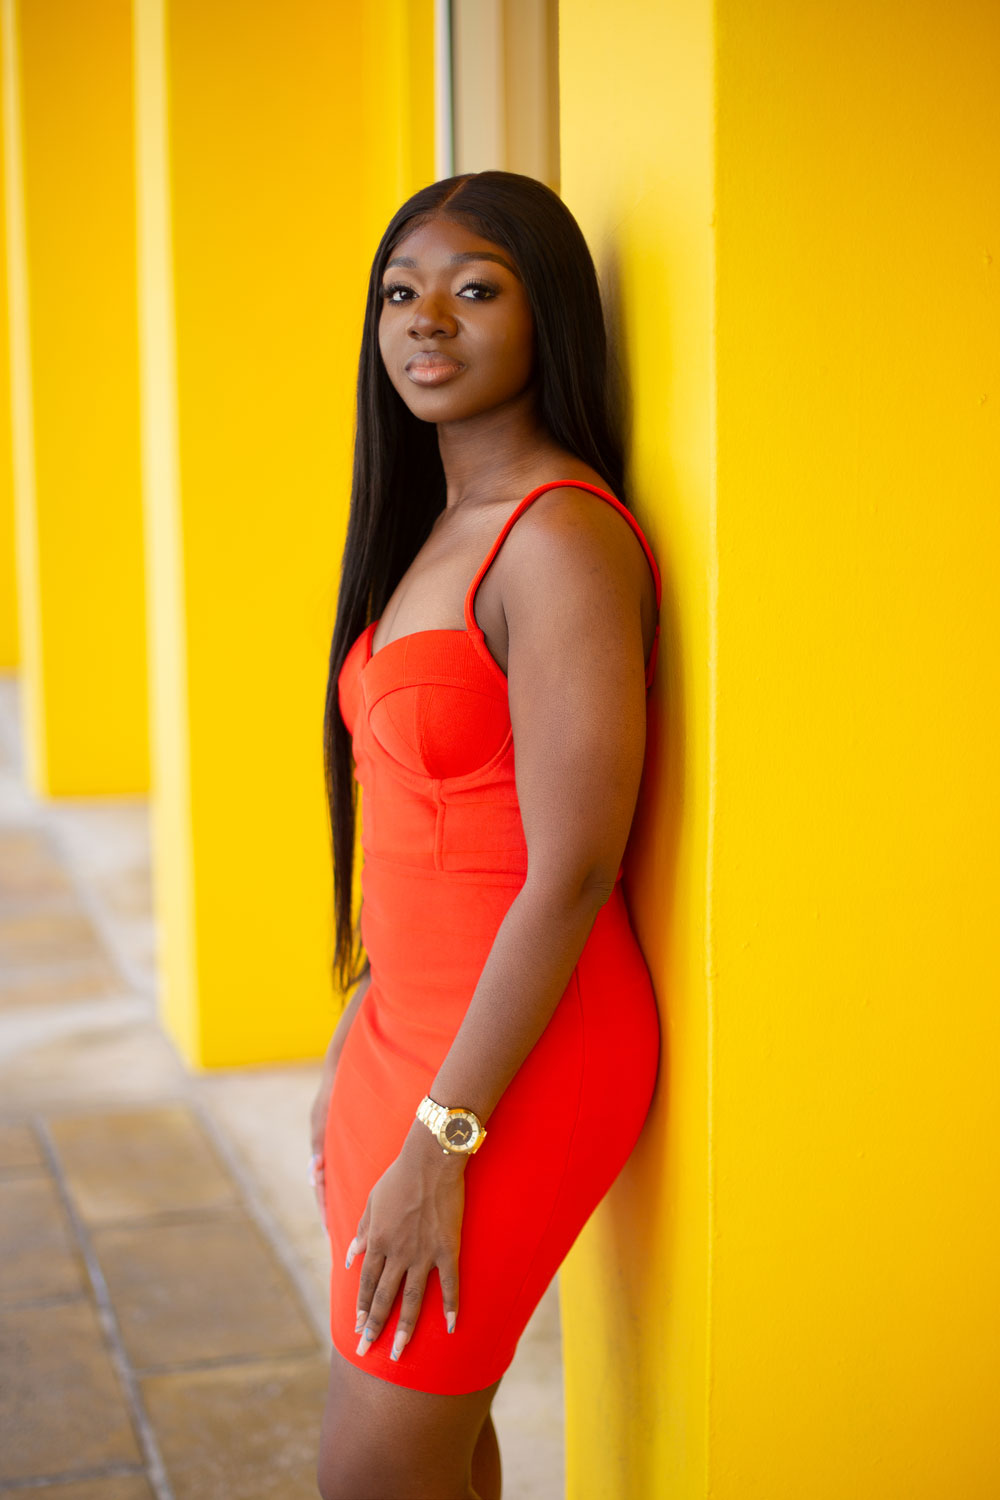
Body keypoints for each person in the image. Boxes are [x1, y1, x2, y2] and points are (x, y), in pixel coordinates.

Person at [310, 169, 661, 1500]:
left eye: (474, 290)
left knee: (373, 1470)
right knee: (431, 1434)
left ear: (546, 319)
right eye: (402, 294)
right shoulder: (438, 525)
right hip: (410, 1040)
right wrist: (364, 1035)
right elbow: (420, 825)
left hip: (518, 1064)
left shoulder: (558, 539)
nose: (427, 323)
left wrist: (439, 1141)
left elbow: (571, 872)